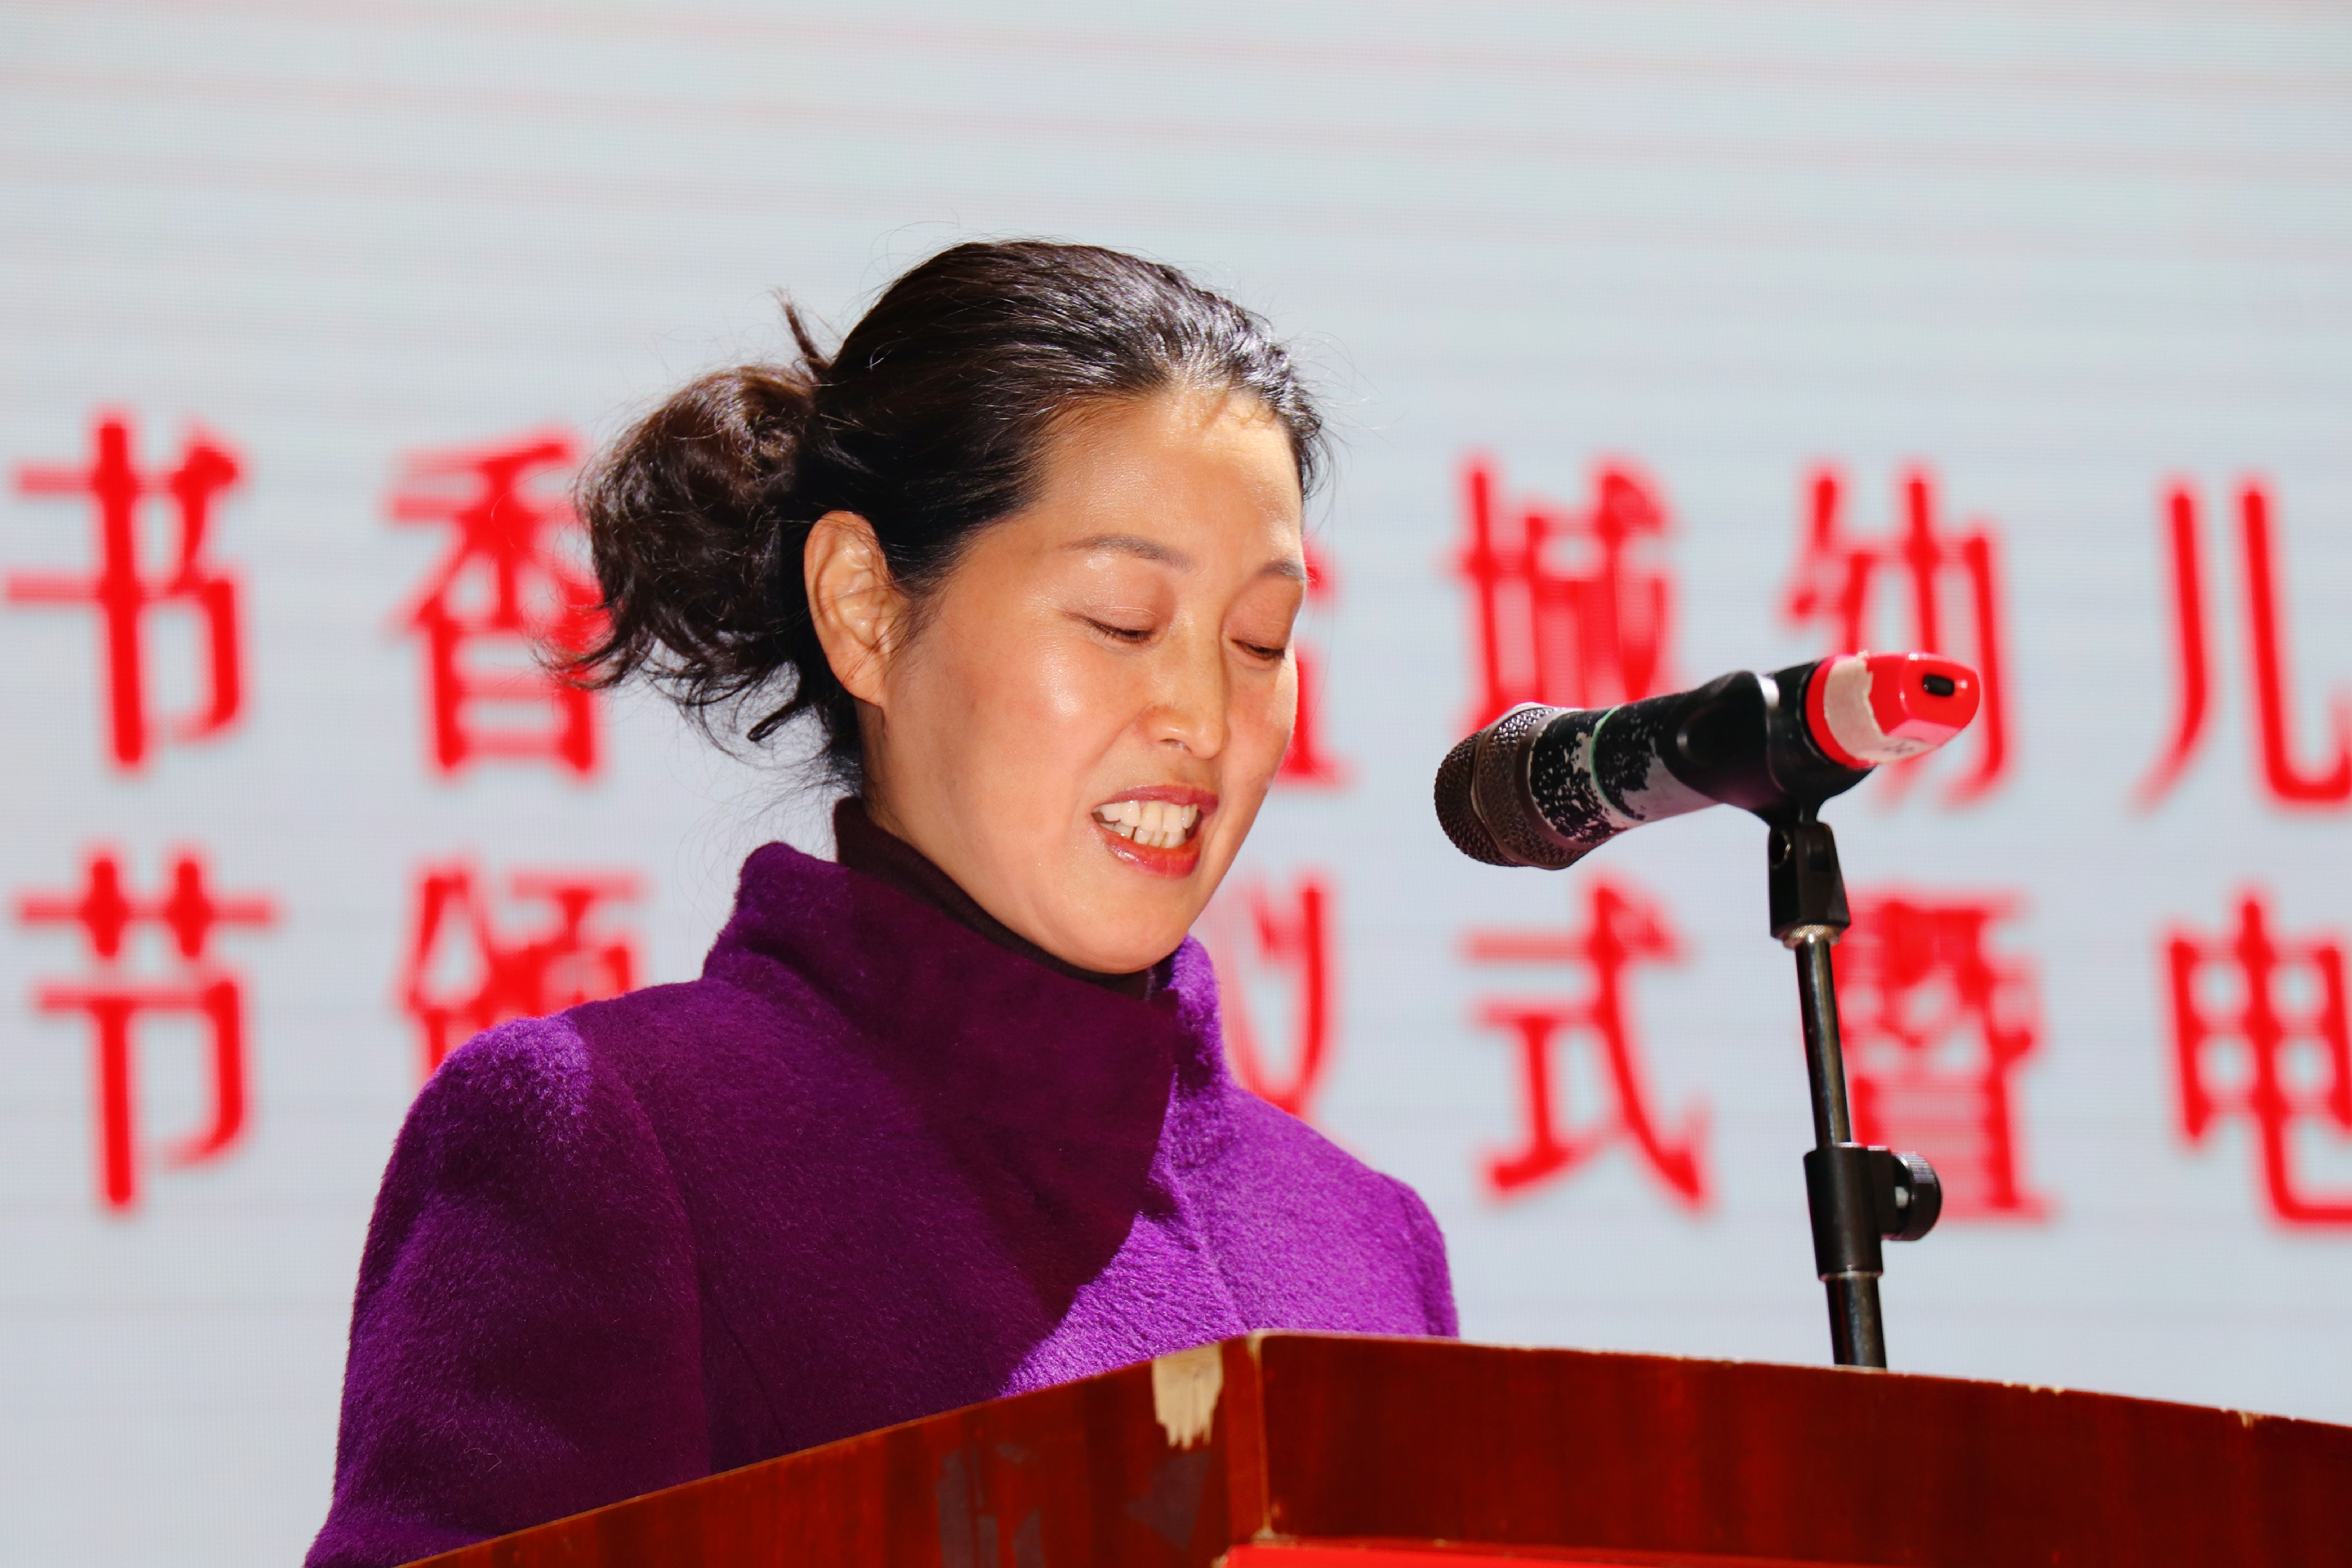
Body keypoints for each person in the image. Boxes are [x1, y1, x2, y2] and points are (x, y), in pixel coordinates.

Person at [306, 240, 1456, 1568]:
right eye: (1121, 622)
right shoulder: (618, 1145)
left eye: (1259, 641)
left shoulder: (1368, 1241)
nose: (1203, 717)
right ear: (862, 608)